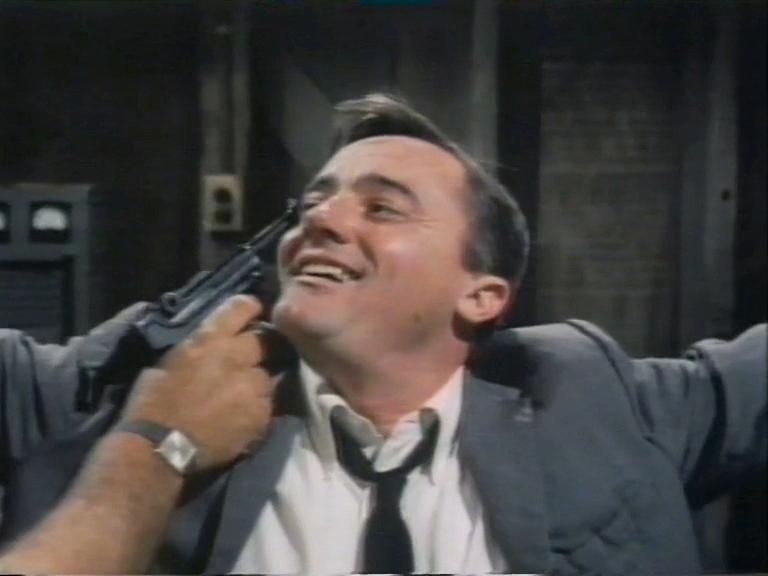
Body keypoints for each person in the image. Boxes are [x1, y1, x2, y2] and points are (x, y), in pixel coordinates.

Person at [0, 93, 765, 575]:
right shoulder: (149, 383)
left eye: (382, 208)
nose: (319, 221)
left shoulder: (594, 393)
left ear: (482, 294)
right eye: (313, 203)